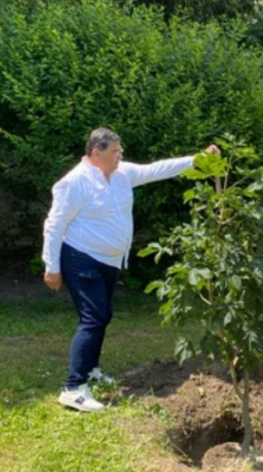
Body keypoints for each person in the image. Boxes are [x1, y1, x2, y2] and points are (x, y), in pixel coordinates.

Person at [42, 127, 220, 412]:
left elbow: (156, 169)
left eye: (120, 150)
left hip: (109, 261)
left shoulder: (122, 173)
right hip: (80, 258)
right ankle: (73, 387)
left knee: (102, 315)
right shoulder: (74, 183)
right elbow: (54, 224)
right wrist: (52, 267)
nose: (121, 155)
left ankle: (90, 370)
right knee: (93, 318)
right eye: (115, 151)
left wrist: (196, 160)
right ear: (96, 153)